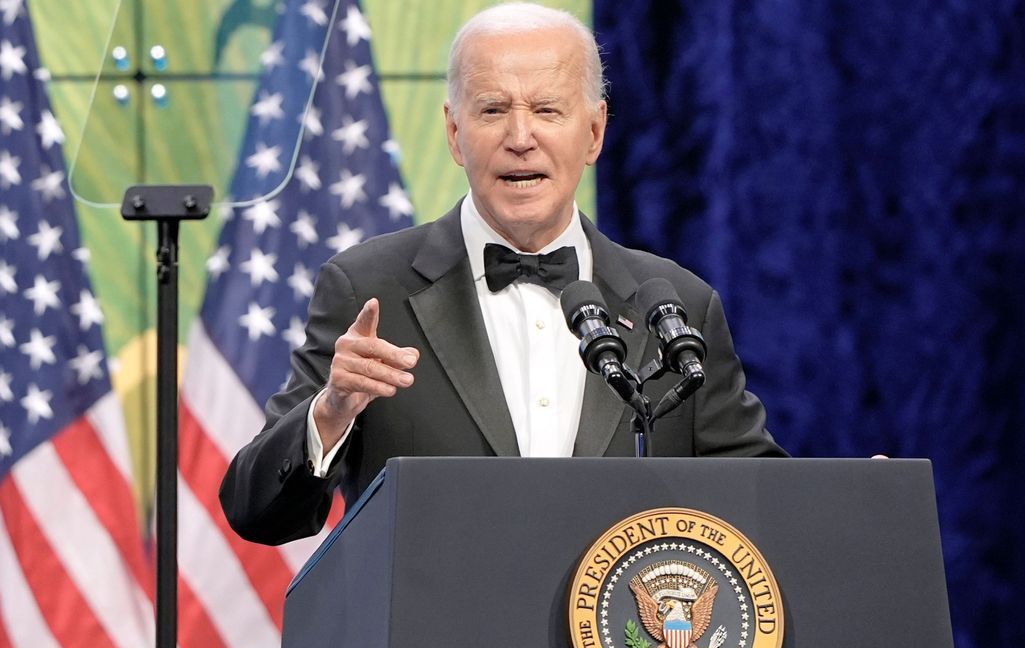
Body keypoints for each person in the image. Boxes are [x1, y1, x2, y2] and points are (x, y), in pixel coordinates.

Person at [220, 2, 785, 546]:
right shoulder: (370, 290)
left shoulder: (679, 304)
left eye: (547, 110)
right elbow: (257, 513)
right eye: (493, 110)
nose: (520, 137)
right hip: (435, 641)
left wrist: (857, 500)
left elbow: (761, 499)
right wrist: (331, 411)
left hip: (623, 640)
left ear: (593, 132)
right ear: (453, 133)